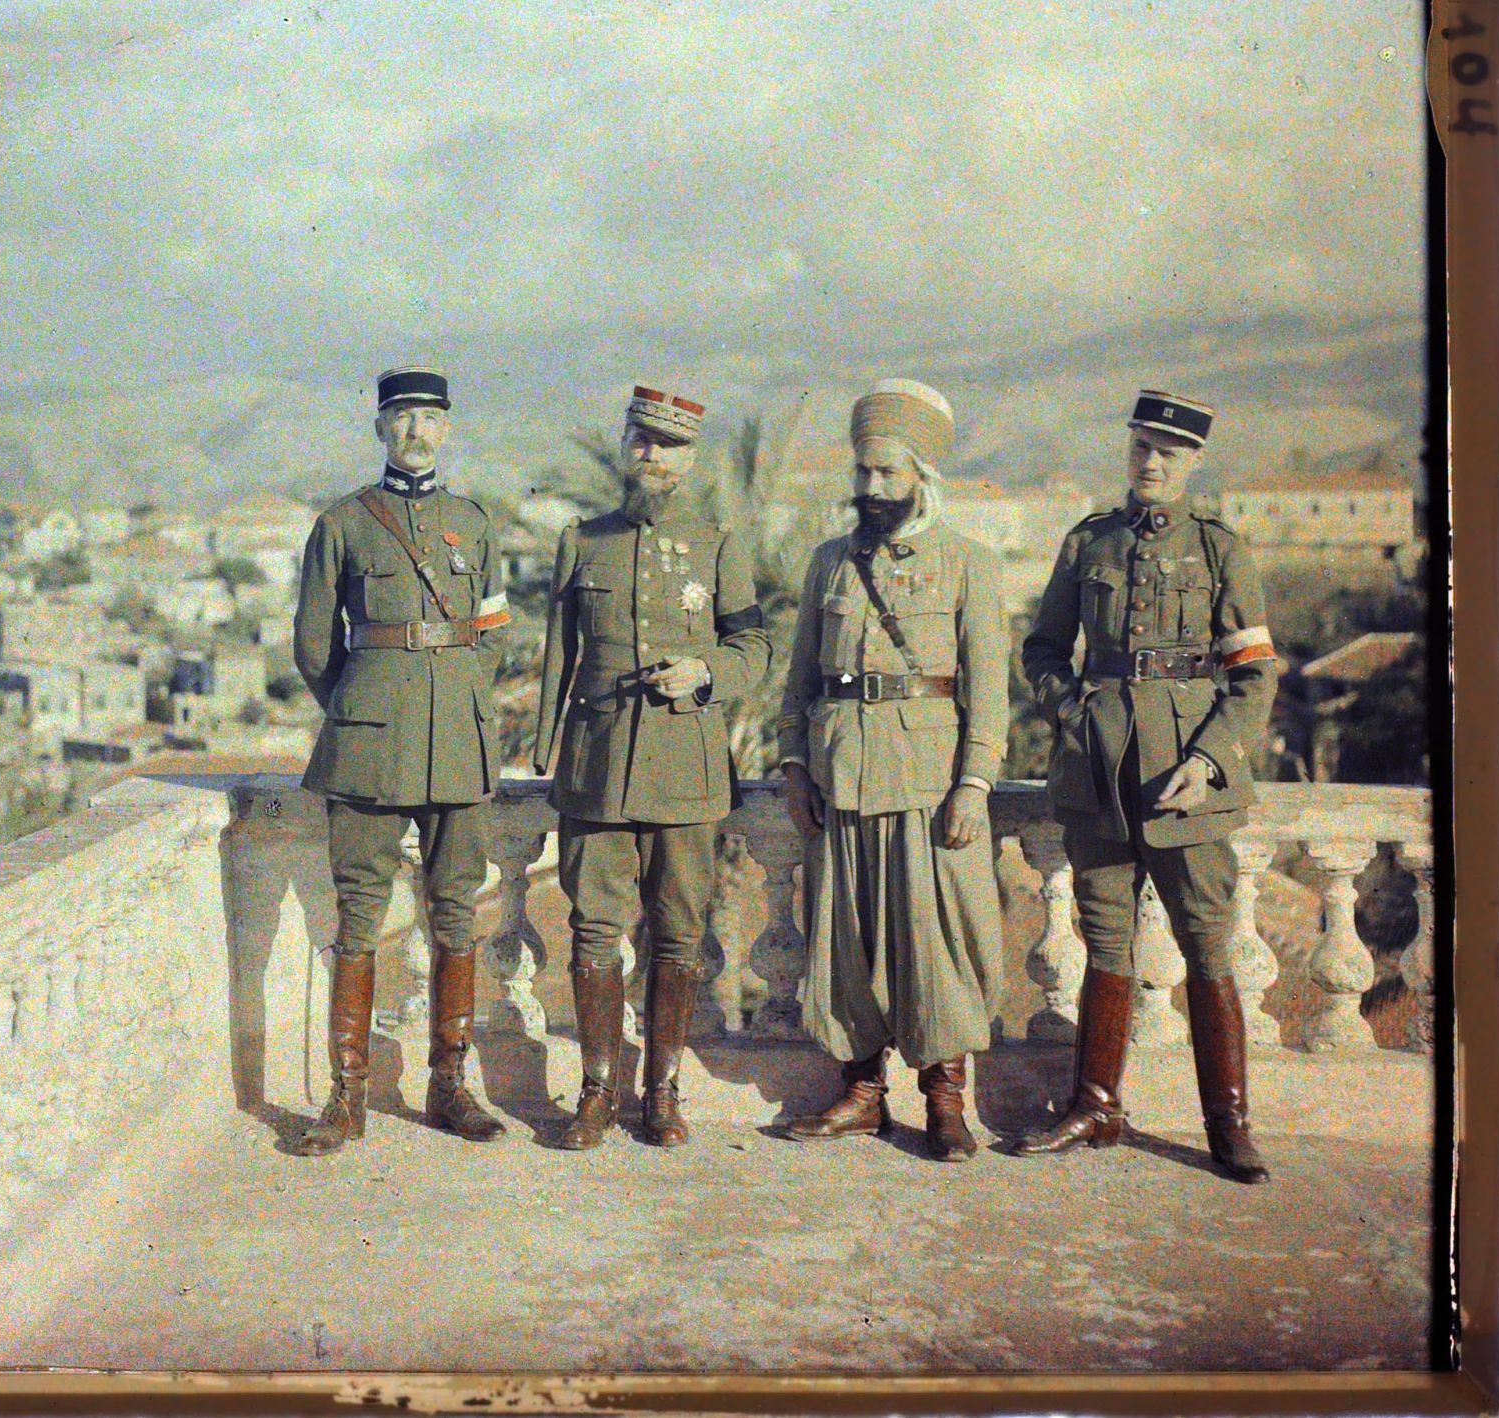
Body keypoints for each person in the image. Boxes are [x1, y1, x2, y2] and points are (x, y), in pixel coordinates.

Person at [1011, 390, 1280, 1184]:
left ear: (1193, 462)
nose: (1151, 463)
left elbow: (1254, 674)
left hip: (1185, 780)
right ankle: (1096, 1106)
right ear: (1127, 452)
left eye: (1168, 452)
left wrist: (1209, 760)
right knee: (1103, 940)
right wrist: (1071, 713)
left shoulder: (1221, 549)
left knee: (1206, 945)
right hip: (1100, 773)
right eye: (1140, 448)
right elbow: (1043, 649)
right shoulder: (1088, 542)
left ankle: (1228, 1125)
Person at [774, 379, 1007, 1162]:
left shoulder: (969, 564)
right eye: (863, 473)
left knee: (935, 944)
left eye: (890, 475)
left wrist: (974, 782)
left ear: (921, 479)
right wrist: (795, 763)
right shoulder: (828, 564)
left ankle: (945, 1098)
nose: (872, 489)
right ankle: (862, 1092)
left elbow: (991, 692)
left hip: (928, 783)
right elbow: (800, 678)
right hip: (841, 777)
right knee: (844, 942)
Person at [533, 384, 772, 1150]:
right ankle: (597, 1091)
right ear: (626, 442)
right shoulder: (584, 540)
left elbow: (755, 646)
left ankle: (661, 1092)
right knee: (594, 930)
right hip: (597, 766)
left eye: (669, 445)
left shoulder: (717, 544)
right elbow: (557, 657)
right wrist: (546, 747)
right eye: (643, 439)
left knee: (678, 933)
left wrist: (705, 671)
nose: (653, 455)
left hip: (684, 766)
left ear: (690, 458)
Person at [288, 365, 513, 1157]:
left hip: (459, 740)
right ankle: (345, 1099)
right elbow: (315, 647)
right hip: (368, 746)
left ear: (446, 428)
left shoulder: (474, 524)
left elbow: (493, 630)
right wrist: (362, 713)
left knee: (455, 912)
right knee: (357, 918)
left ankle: (449, 1087)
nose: (415, 432)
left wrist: (458, 702)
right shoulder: (344, 524)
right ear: (380, 428)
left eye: (428, 418)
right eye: (400, 419)